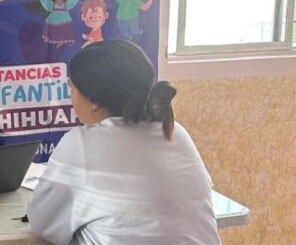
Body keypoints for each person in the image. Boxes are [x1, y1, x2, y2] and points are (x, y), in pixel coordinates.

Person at [27, 40, 220, 245]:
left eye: (71, 88)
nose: (71, 97)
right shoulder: (174, 130)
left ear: (94, 101)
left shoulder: (82, 144)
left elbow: (42, 222)